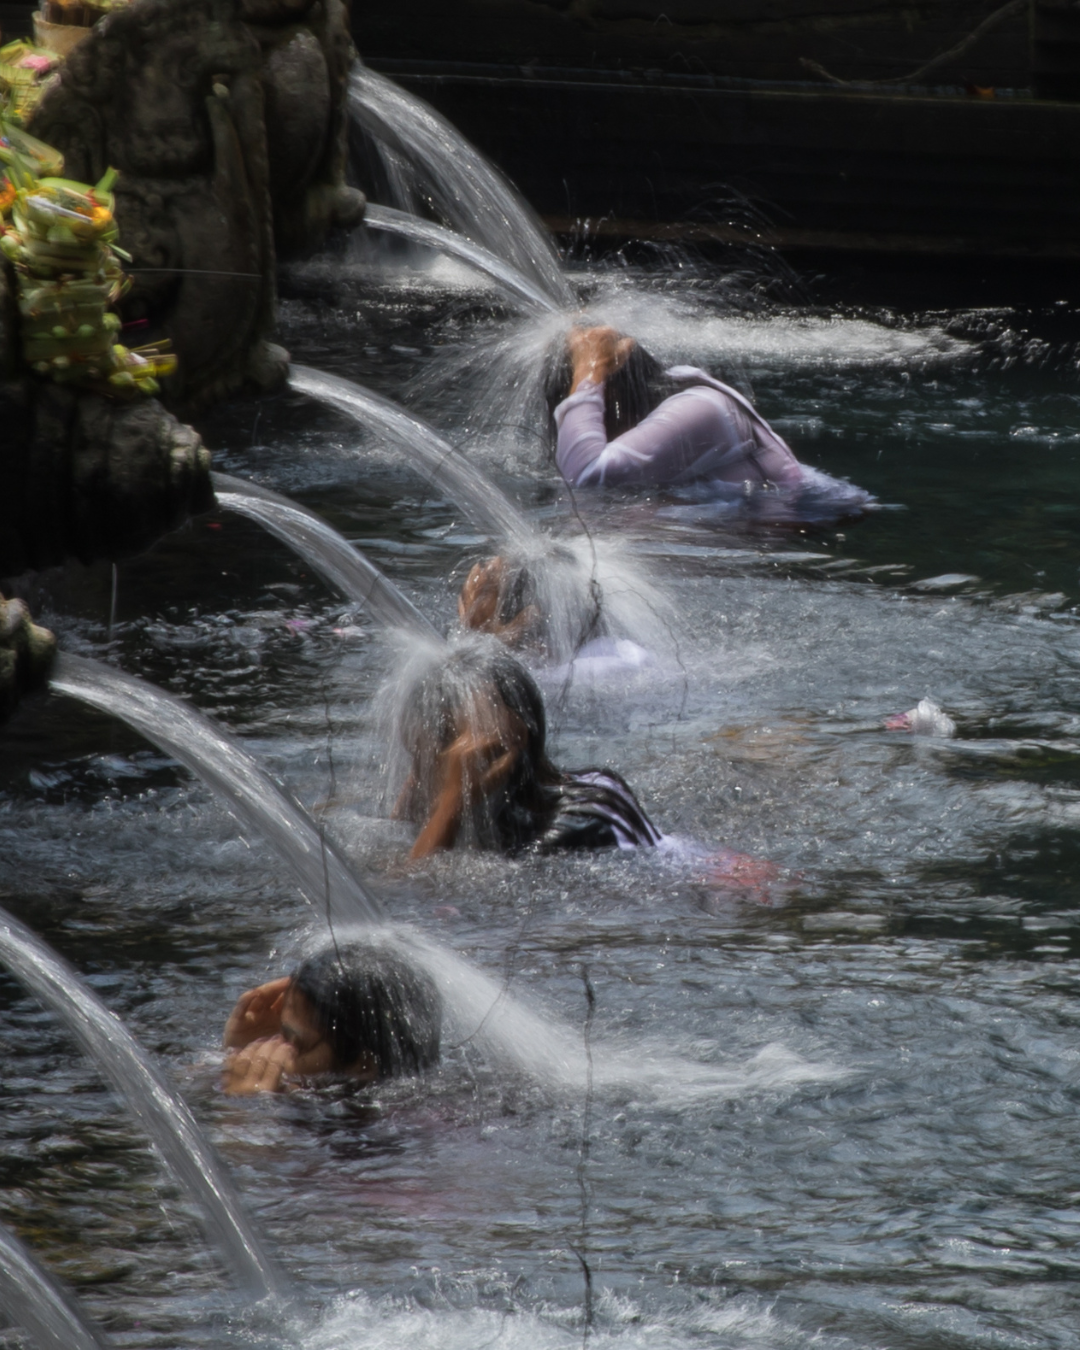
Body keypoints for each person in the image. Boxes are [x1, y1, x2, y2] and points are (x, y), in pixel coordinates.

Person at [551, 326, 872, 515]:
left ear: (607, 396)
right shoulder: (662, 431)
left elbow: (584, 476)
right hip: (763, 525)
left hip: (814, 516)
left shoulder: (704, 408)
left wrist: (589, 371)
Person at [392, 639, 662, 858]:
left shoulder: (571, 827)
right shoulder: (580, 782)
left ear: (489, 753)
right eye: (415, 759)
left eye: (425, 760)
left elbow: (410, 893)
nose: (417, 778)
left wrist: (452, 800)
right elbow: (396, 831)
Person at [222, 940, 441, 1095]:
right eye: (280, 1034)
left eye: (296, 1044)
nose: (271, 1049)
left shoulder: (389, 1132)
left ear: (362, 1065)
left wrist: (244, 1114)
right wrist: (236, 1051)